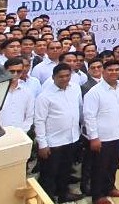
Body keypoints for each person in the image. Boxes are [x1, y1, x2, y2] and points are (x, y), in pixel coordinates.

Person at [83, 59, 119, 203]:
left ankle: (110, 187)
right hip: (103, 137)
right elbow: (89, 116)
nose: (114, 72)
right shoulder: (95, 92)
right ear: (103, 71)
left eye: (116, 70)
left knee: (113, 164)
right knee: (100, 167)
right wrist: (94, 137)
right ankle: (98, 195)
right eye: (110, 70)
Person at [34, 63, 82, 203]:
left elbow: (79, 108)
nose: (65, 79)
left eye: (67, 76)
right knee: (49, 174)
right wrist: (42, 144)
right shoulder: (45, 96)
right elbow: (39, 121)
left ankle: (63, 194)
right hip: (53, 142)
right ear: (53, 77)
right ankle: (47, 199)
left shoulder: (75, 89)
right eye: (61, 76)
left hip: (72, 138)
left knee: (65, 170)